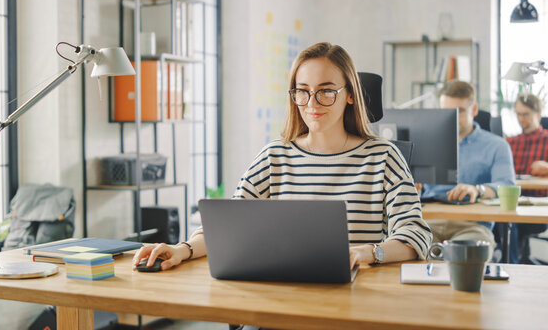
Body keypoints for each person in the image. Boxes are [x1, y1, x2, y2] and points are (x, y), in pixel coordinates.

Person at [133, 42, 432, 273]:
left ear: (350, 94)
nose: (312, 103)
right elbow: (229, 225)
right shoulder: (275, 155)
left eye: (326, 91)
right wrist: (182, 249)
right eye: (302, 91)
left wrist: (368, 252)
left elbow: (415, 234)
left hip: (353, 299)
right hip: (282, 293)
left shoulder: (382, 156)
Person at [419, 80, 515, 257]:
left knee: (463, 261)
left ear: (474, 109)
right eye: (446, 111)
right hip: (427, 223)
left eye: (460, 111)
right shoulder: (425, 142)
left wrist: (478, 189)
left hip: (473, 225)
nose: (452, 117)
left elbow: (507, 185)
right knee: (409, 256)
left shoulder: (497, 145)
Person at [506, 93, 548, 263]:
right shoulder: (510, 142)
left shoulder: (546, 139)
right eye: (518, 114)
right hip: (512, 201)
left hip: (538, 204)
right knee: (505, 221)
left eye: (526, 114)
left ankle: (512, 266)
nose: (521, 118)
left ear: (538, 114)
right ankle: (509, 263)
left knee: (511, 223)